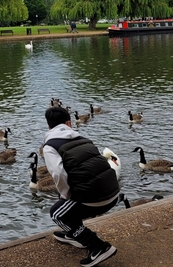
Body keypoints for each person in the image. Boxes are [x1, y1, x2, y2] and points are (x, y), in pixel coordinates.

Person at [43, 106, 119, 267]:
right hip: (114, 194)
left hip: (95, 200)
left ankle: (98, 246)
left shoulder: (50, 146)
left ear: (49, 126)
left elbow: (58, 174)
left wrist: (65, 196)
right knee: (66, 197)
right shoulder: (84, 139)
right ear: (68, 123)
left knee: (57, 213)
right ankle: (73, 234)